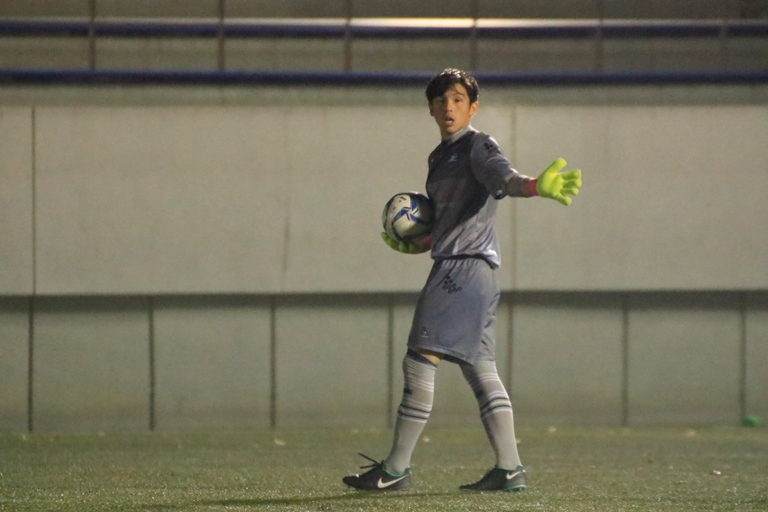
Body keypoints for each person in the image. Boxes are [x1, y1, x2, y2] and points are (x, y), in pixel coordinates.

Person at [342, 68, 582, 492]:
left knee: (419, 361)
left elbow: (504, 178)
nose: (449, 108)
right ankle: (510, 469)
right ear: (431, 109)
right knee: (480, 368)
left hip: (462, 269)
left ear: (473, 107)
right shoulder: (438, 158)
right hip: (474, 270)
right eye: (441, 101)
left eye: (457, 100)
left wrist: (534, 186)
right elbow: (448, 219)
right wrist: (422, 243)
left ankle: (395, 471)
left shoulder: (478, 145)